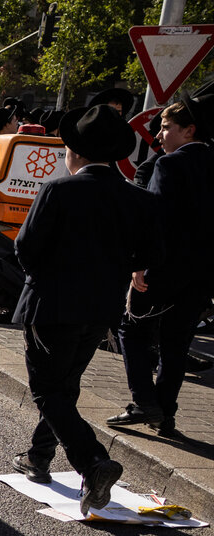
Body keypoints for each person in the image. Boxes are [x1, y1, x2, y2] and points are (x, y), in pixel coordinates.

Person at [11, 104, 160, 516]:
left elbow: (26, 249)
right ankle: (39, 455)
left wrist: (48, 276)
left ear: (73, 150)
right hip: (101, 309)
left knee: (48, 388)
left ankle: (92, 462)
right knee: (65, 383)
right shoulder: (137, 198)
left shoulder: (60, 188)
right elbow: (147, 254)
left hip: (53, 305)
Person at [108, 98, 212, 438]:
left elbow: (154, 219)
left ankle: (143, 402)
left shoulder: (169, 166)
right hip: (202, 274)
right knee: (177, 343)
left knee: (131, 328)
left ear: (189, 130)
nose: (161, 135)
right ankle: (165, 413)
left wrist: (139, 264)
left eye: (167, 128)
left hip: (164, 268)